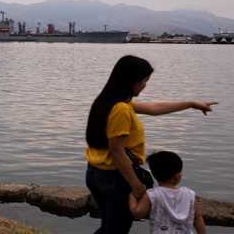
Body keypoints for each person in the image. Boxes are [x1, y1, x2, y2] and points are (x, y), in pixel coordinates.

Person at [85, 55, 216, 234]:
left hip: (95, 172)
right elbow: (117, 151)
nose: (145, 85)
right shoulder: (121, 109)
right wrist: (136, 185)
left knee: (110, 226)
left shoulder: (108, 102)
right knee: (116, 229)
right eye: (144, 81)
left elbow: (154, 108)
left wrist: (191, 104)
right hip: (114, 177)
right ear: (131, 80)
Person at [129, 151, 206, 234]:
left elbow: (138, 213)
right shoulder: (190, 194)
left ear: (154, 175)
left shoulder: (152, 194)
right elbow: (198, 218)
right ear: (177, 177)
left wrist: (132, 196)